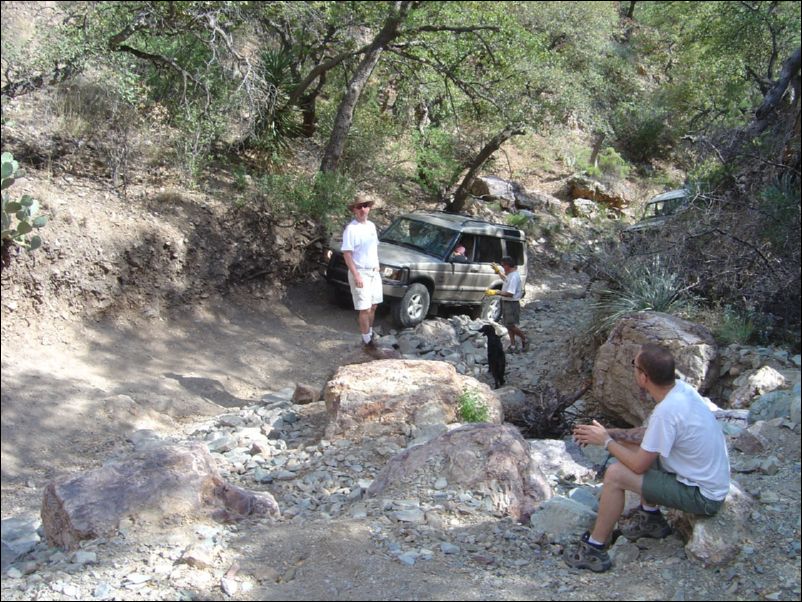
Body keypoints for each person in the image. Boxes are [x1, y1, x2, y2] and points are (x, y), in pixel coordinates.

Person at [566, 343, 731, 573]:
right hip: (707, 481)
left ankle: (595, 548)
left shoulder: (667, 411)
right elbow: (649, 435)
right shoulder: (681, 391)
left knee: (615, 474)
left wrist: (606, 441)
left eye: (634, 365)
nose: (632, 368)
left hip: (702, 496)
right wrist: (611, 433)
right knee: (633, 447)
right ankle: (651, 518)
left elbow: (638, 465)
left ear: (644, 377)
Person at [341, 193, 382, 352]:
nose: (362, 209)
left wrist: (377, 264)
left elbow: (374, 248)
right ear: (354, 210)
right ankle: (367, 341)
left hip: (373, 272)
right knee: (364, 308)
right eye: (359, 207)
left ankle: (369, 334)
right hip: (360, 272)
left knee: (373, 305)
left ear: (369, 208)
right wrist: (356, 274)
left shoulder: (371, 226)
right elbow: (347, 254)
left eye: (365, 206)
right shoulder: (351, 229)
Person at [486, 256, 528, 352]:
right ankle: (512, 346)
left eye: (503, 266)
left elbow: (510, 293)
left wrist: (496, 292)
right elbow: (505, 279)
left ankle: (525, 339)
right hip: (506, 302)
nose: (502, 267)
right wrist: (498, 272)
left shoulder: (513, 277)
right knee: (508, 325)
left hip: (511, 304)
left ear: (507, 265)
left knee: (511, 325)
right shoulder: (510, 275)